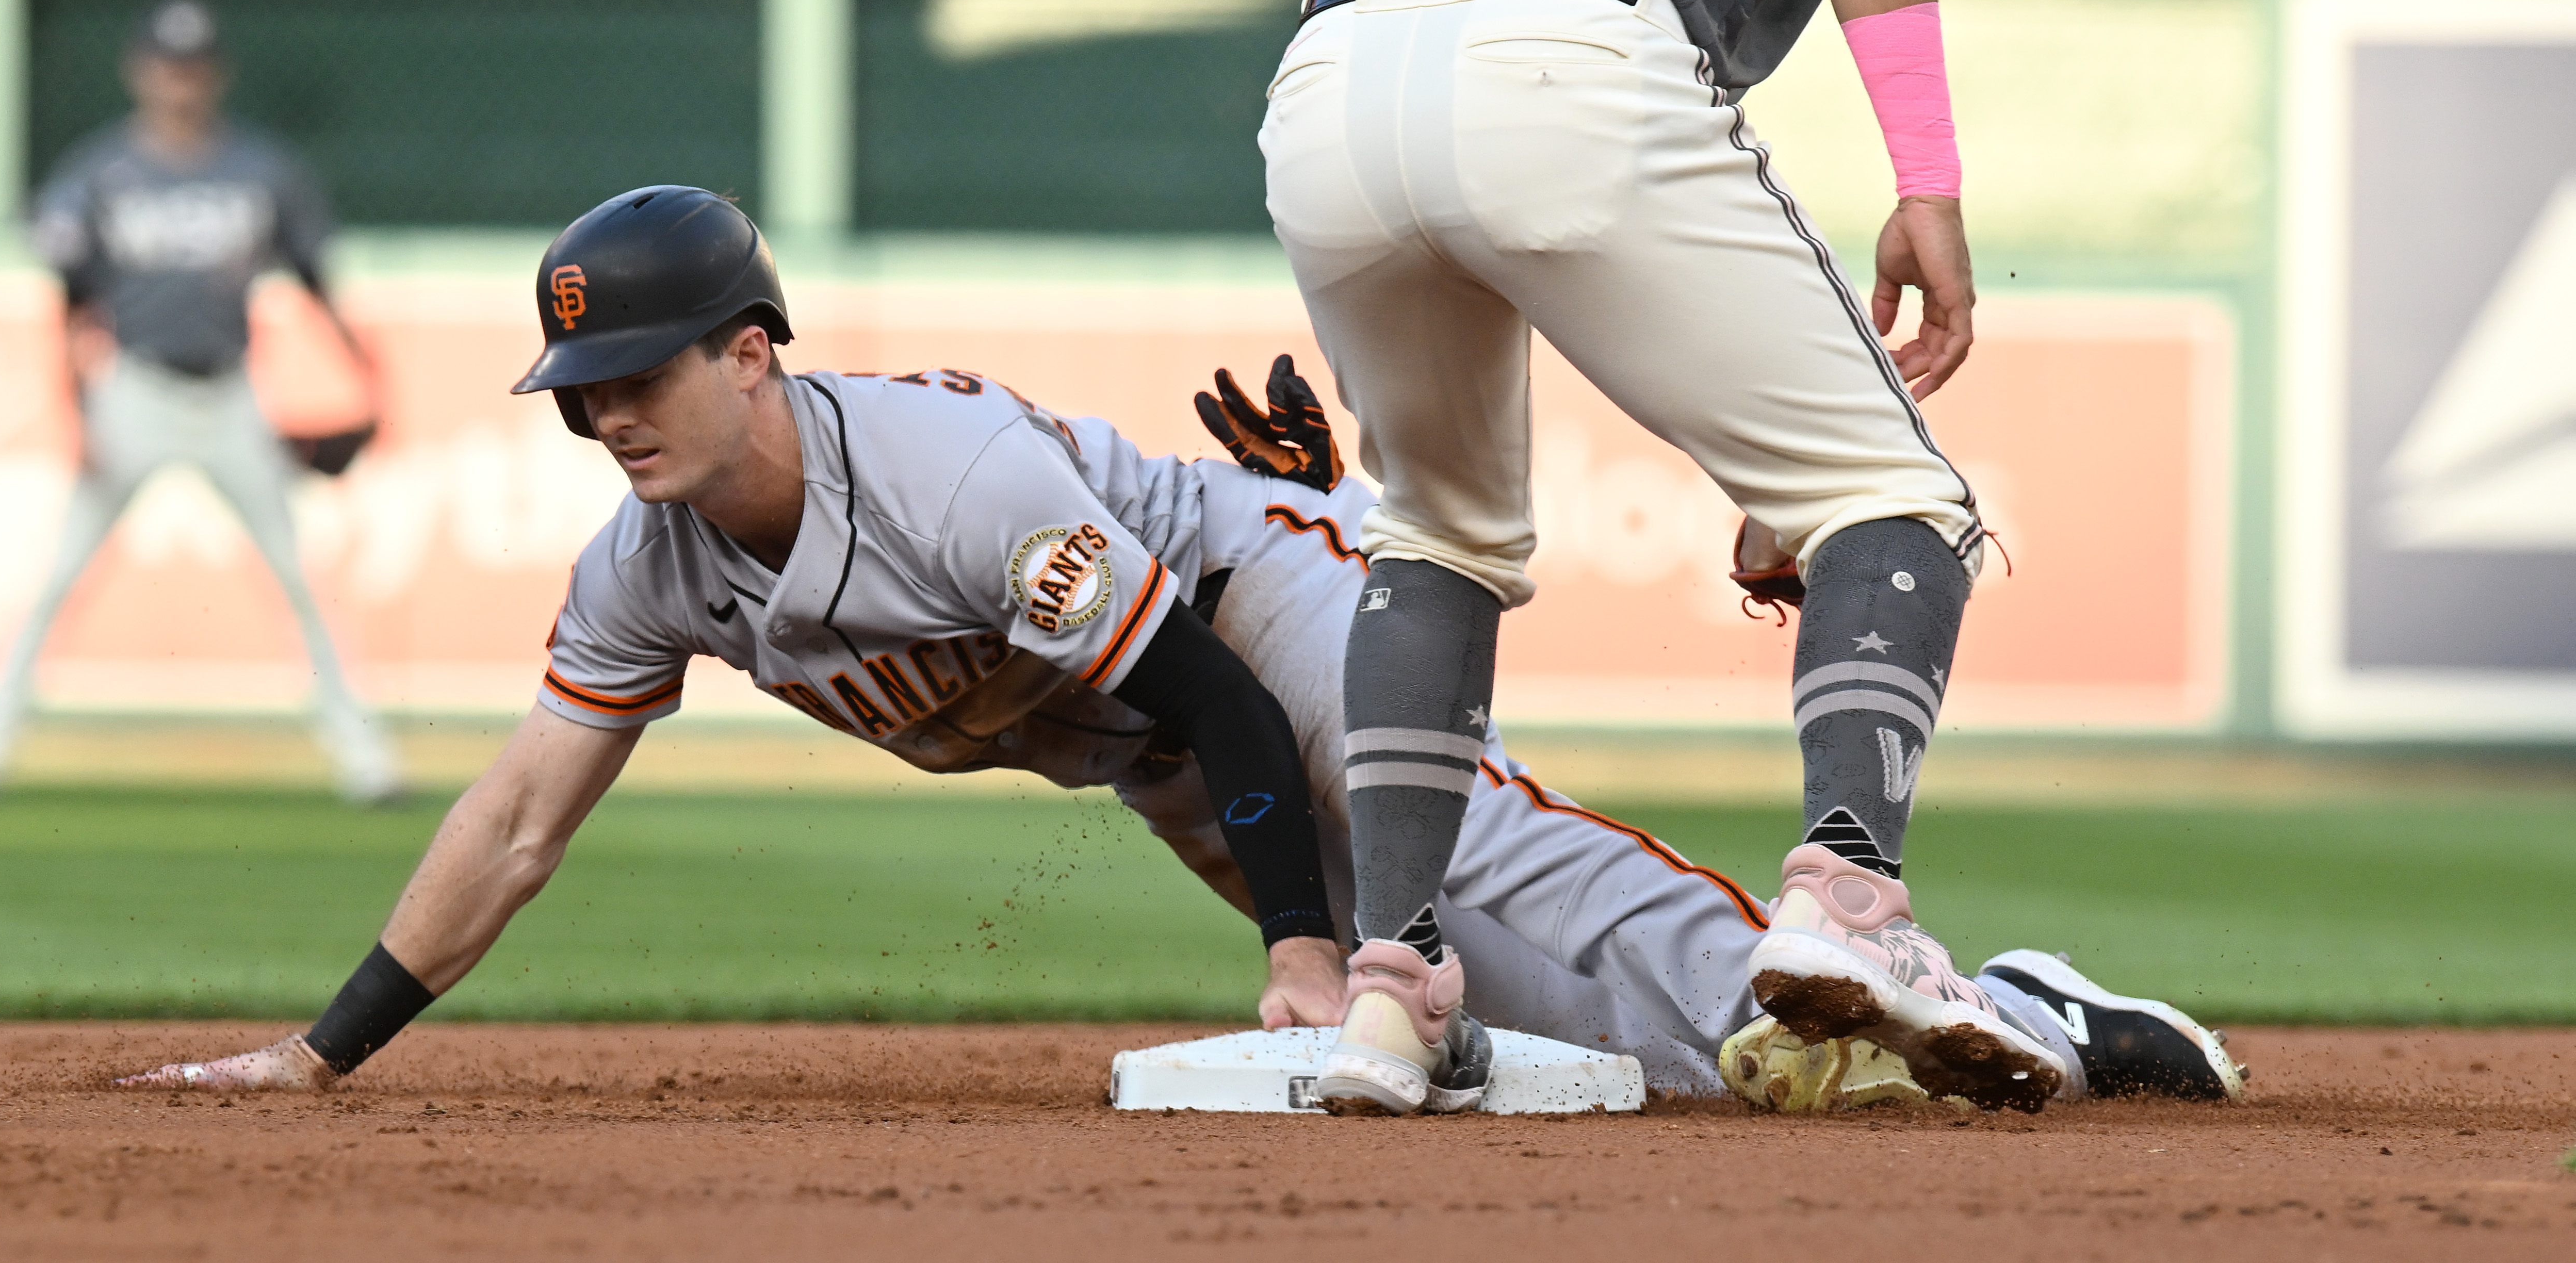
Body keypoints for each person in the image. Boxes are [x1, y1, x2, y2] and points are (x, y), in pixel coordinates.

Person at [115, 189, 2244, 1116]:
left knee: (1477, 891)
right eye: (580, 388)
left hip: (1256, 617)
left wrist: (1311, 954)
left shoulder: (932, 471)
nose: (610, 413)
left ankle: (2003, 999)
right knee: (1518, 1024)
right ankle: (1924, 1027)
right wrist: (328, 1046)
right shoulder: (651, 562)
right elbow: (510, 814)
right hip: (1149, 728)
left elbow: (1221, 696)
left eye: (644, 368)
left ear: (754, 348)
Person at [1257, 0, 2055, 1113]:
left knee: (1431, 539)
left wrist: (1769, 456)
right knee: (1902, 503)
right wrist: (1929, 180)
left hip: (1332, 75)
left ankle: (1392, 993)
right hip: (1567, 46)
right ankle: (1849, 903)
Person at [0, 0, 399, 804]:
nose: (180, 82)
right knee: (59, 576)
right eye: (167, 65)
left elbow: (314, 278)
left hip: (231, 393)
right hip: (134, 389)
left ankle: (366, 761)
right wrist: (75, 409)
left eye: (193, 67)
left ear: (215, 75)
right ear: (139, 71)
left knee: (299, 576)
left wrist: (363, 372)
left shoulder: (261, 170)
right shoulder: (100, 171)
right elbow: (71, 299)